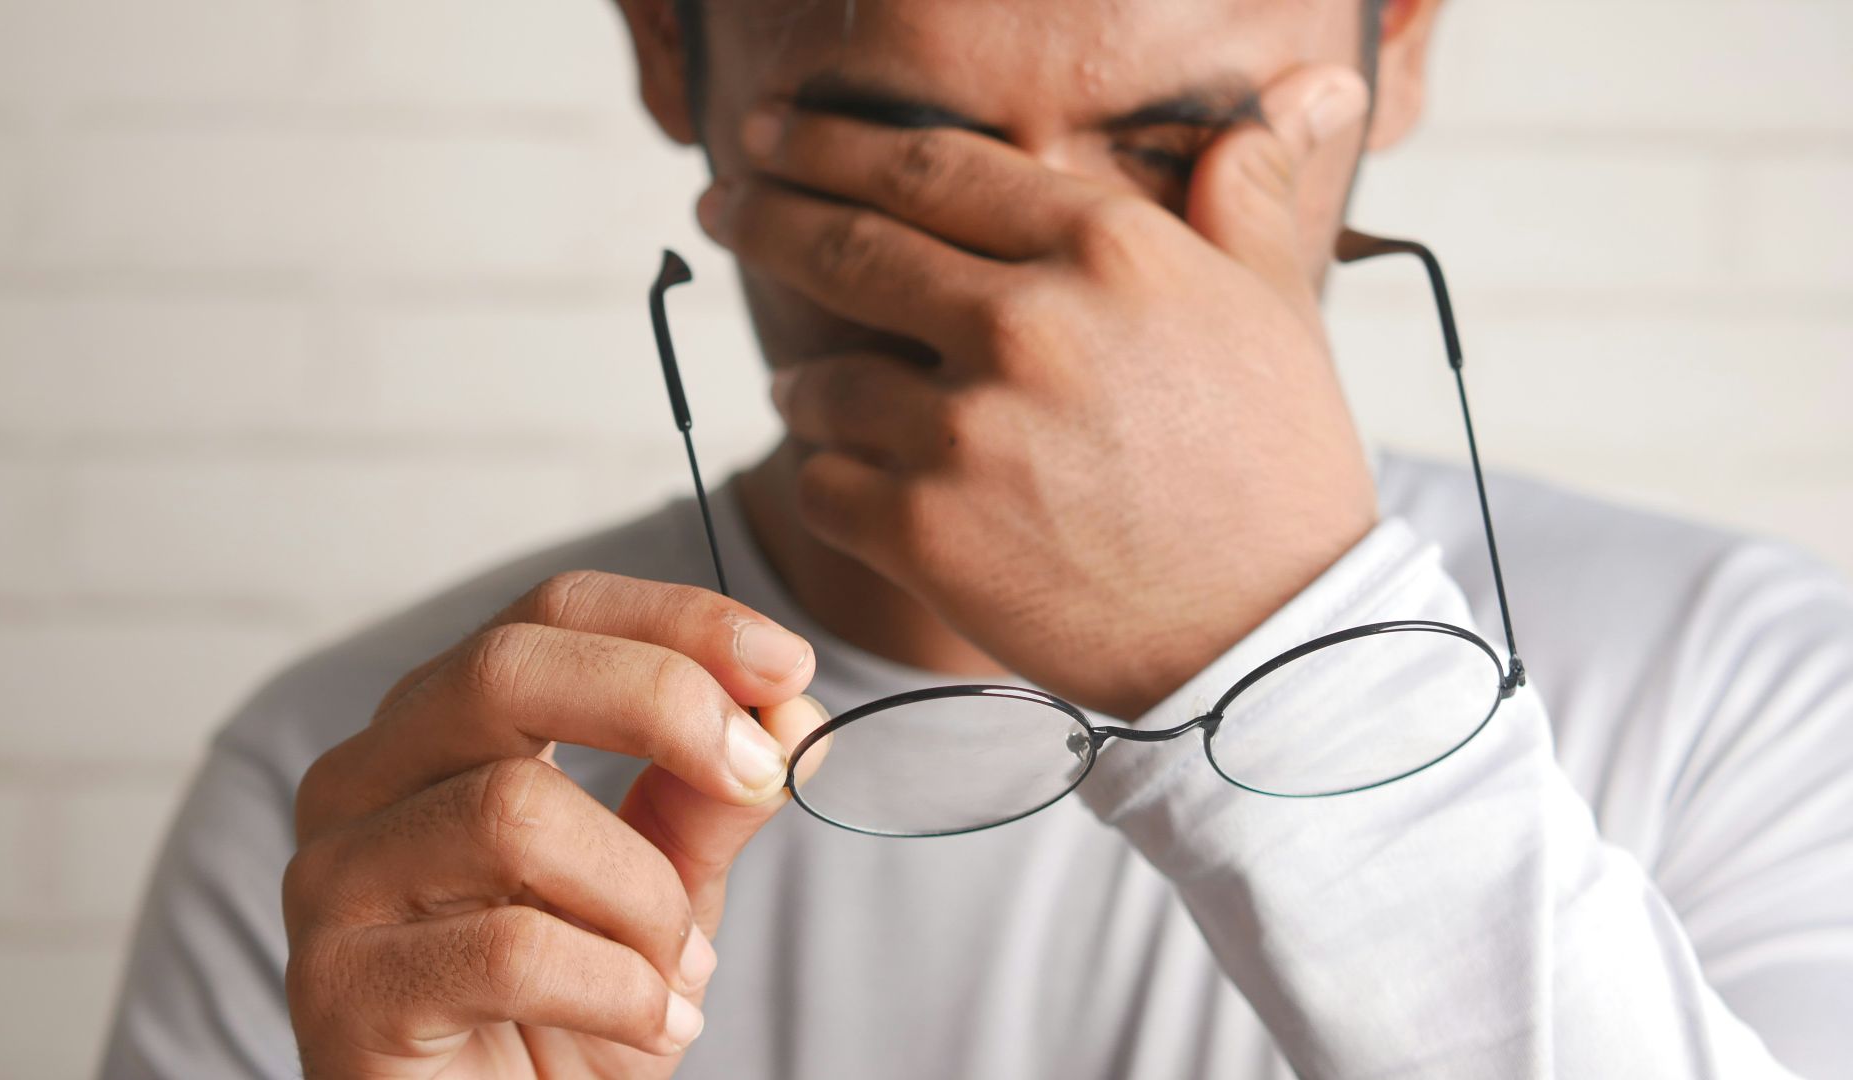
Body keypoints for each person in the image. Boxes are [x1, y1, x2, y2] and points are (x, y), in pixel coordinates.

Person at [100, 1, 1853, 1076]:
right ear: (667, 45)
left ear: (1395, 44)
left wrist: (1282, 645)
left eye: (1177, 141)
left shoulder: (1749, 697)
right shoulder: (394, 808)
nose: (1056, 272)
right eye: (902, 149)